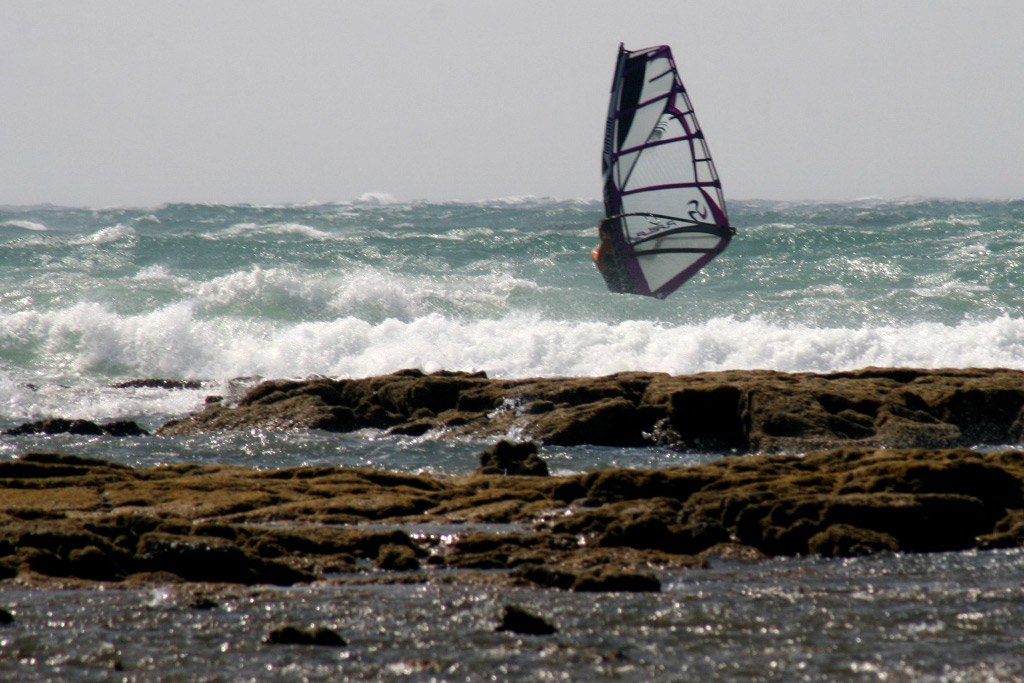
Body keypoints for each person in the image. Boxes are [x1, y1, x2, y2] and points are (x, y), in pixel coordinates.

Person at [592, 217, 633, 293]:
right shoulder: (596, 253)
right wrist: (607, 238)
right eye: (601, 231)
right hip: (618, 292)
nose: (602, 233)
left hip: (634, 288)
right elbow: (599, 262)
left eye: (604, 230)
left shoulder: (624, 249)